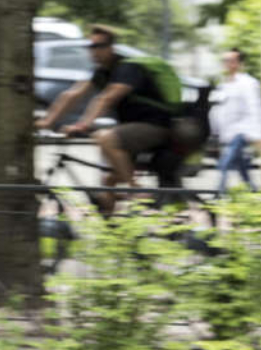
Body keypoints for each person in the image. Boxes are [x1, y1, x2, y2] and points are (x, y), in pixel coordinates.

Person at [36, 25, 174, 214]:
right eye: (91, 46)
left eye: (99, 46)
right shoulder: (101, 72)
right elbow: (72, 95)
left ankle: (136, 190)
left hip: (156, 127)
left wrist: (82, 125)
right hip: (132, 131)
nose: (94, 51)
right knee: (107, 187)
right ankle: (113, 235)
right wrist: (46, 122)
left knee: (105, 138)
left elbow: (107, 98)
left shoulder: (127, 68)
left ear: (111, 47)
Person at [208, 48, 261, 193]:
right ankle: (253, 192)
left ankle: (218, 195)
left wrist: (260, 134)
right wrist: (214, 131)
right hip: (228, 132)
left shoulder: (248, 83)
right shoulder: (223, 84)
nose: (227, 64)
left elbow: (255, 108)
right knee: (242, 168)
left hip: (242, 131)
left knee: (225, 163)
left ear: (239, 63)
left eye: (231, 60)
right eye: (225, 60)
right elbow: (218, 110)